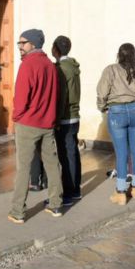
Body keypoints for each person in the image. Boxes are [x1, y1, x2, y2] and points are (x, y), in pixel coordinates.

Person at [8, 29, 62, 224]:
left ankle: (18, 211)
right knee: (51, 164)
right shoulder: (49, 65)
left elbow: (21, 98)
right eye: (19, 43)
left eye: (23, 43)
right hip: (47, 123)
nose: (20, 47)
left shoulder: (28, 65)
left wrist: (16, 117)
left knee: (23, 168)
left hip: (28, 123)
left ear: (33, 44)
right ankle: (56, 204)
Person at [97, 43, 135, 206]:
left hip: (117, 112)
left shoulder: (110, 70)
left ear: (119, 54)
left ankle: (120, 192)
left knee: (121, 153)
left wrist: (103, 108)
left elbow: (101, 92)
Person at [53, 35, 82, 205]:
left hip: (65, 117)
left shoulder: (62, 68)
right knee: (73, 153)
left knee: (66, 156)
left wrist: (56, 119)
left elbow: (62, 96)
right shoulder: (72, 65)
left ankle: (70, 192)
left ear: (55, 49)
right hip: (74, 115)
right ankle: (75, 189)